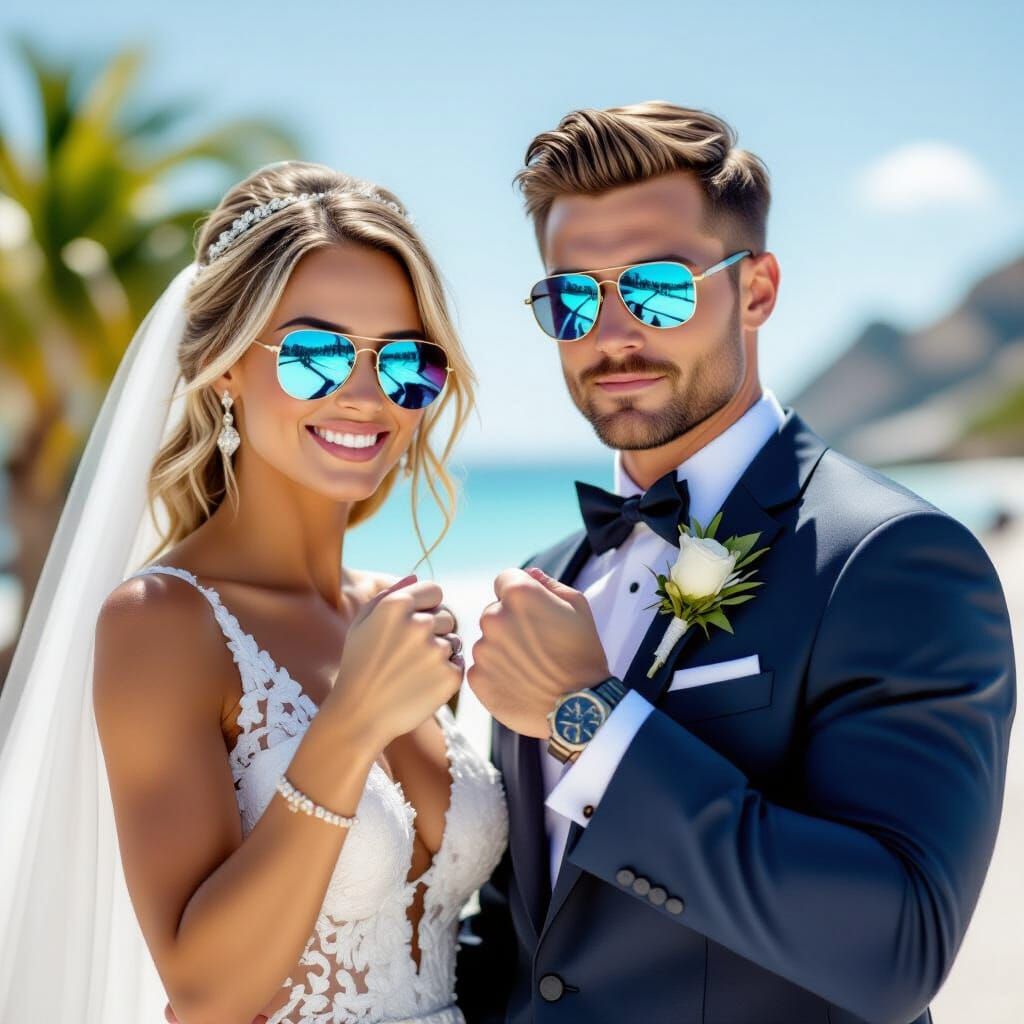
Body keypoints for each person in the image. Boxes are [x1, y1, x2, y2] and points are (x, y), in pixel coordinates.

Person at [457, 103, 1016, 1024]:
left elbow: (897, 949)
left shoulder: (891, 560)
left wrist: (587, 720)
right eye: (571, 297)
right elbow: (530, 936)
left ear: (756, 290)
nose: (611, 333)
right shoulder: (546, 576)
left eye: (659, 289)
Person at [0, 161, 507, 1024]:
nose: (366, 392)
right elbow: (207, 994)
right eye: (314, 353)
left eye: (405, 361)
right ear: (226, 367)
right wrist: (349, 724)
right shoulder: (164, 623)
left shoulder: (393, 615)